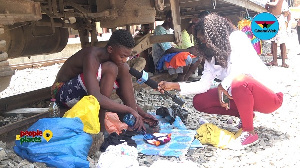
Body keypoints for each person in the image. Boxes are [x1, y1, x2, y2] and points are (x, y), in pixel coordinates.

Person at [157, 13, 283, 148]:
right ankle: (247, 116)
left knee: (239, 81)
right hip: (244, 96)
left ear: (215, 34)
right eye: (201, 39)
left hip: (270, 98)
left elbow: (239, 69)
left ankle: (249, 132)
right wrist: (173, 85)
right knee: (199, 101)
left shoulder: (237, 38)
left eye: (205, 38)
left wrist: (223, 86)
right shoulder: (211, 57)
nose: (204, 42)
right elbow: (203, 84)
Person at [51, 29, 157, 132]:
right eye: (122, 56)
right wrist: (129, 110)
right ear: (110, 49)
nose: (125, 60)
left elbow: (123, 92)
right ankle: (101, 126)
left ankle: (135, 122)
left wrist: (140, 114)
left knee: (124, 67)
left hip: (81, 94)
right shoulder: (91, 56)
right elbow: (96, 96)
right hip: (61, 93)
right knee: (111, 68)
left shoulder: (114, 60)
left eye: (127, 57)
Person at [152, 10, 200, 82]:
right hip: (162, 60)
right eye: (176, 22)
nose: (178, 24)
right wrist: (189, 50)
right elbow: (168, 50)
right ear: (169, 19)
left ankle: (185, 79)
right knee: (186, 58)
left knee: (198, 57)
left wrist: (190, 49)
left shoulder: (170, 31)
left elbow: (173, 47)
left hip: (170, 56)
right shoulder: (160, 29)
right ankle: (180, 80)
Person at [265, 0, 289, 68]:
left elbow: (276, 5)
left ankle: (283, 62)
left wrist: (269, 4)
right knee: (273, 41)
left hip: (279, 20)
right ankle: (274, 61)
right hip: (272, 19)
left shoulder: (281, 1)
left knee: (282, 41)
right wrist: (268, 5)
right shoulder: (272, 1)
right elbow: (267, 8)